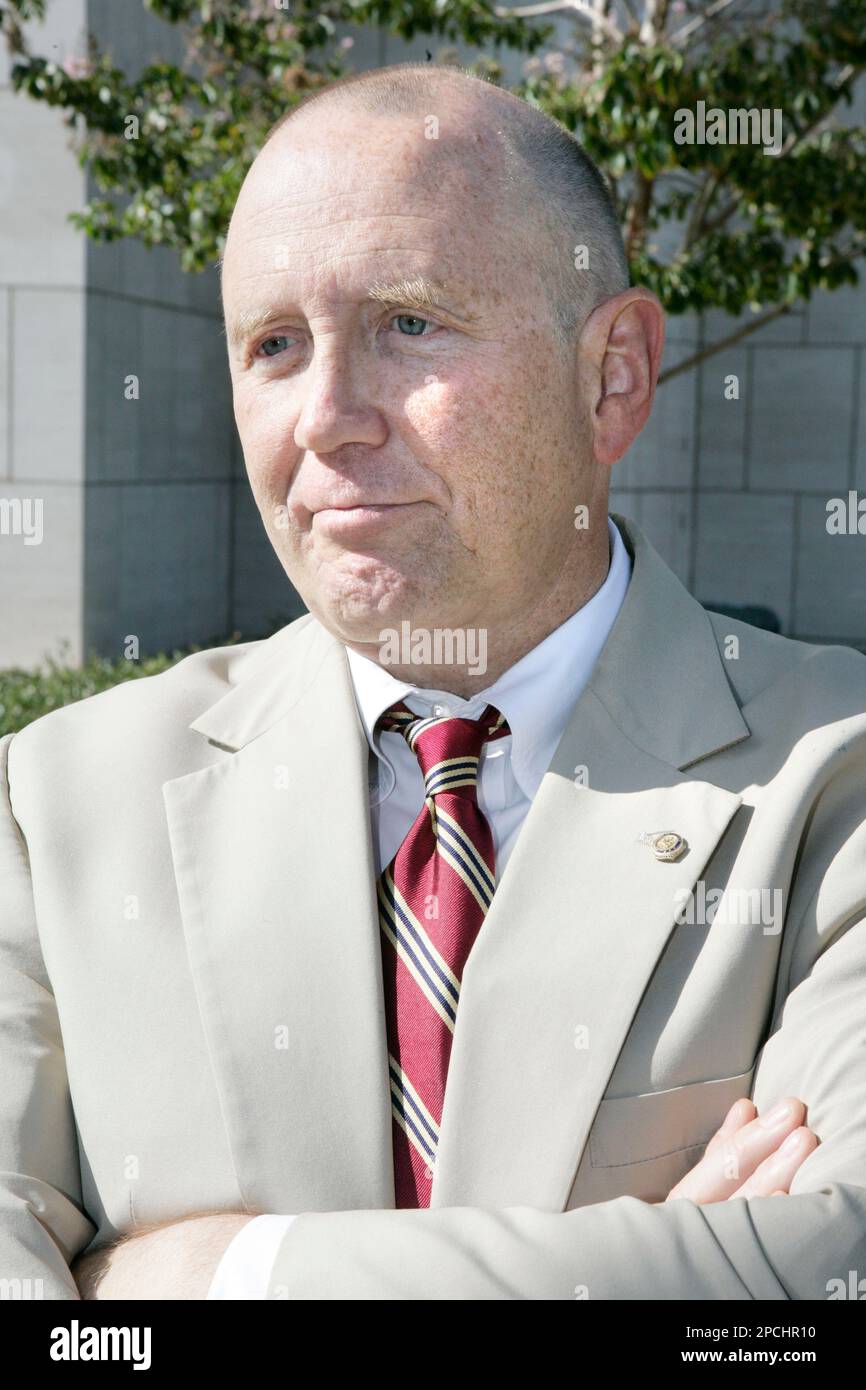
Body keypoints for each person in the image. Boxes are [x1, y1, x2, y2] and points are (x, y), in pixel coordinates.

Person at [2, 62, 864, 1301]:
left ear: (612, 374)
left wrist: (215, 1275)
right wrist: (670, 1268)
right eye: (275, 345)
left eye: (407, 322)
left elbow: (833, 1272)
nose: (325, 418)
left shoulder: (830, 784)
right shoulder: (52, 804)